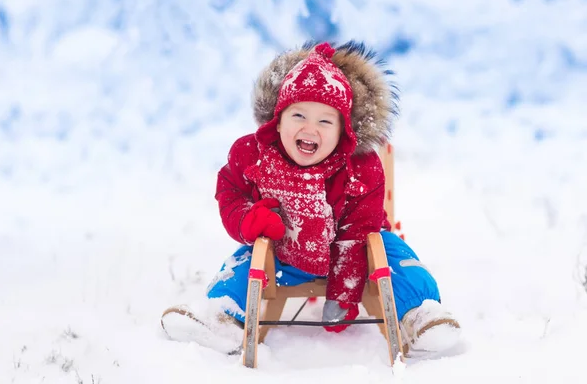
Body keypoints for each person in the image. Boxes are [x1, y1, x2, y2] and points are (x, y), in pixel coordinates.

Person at [161, 41, 461, 355]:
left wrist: (343, 296)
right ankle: (221, 318)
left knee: (393, 254)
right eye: (299, 115)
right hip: (282, 256)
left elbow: (357, 231)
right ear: (278, 120)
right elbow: (230, 190)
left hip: (355, 253)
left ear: (343, 132)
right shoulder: (254, 154)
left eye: (324, 121)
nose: (309, 128)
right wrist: (247, 218)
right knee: (242, 263)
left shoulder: (360, 168)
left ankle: (420, 315)